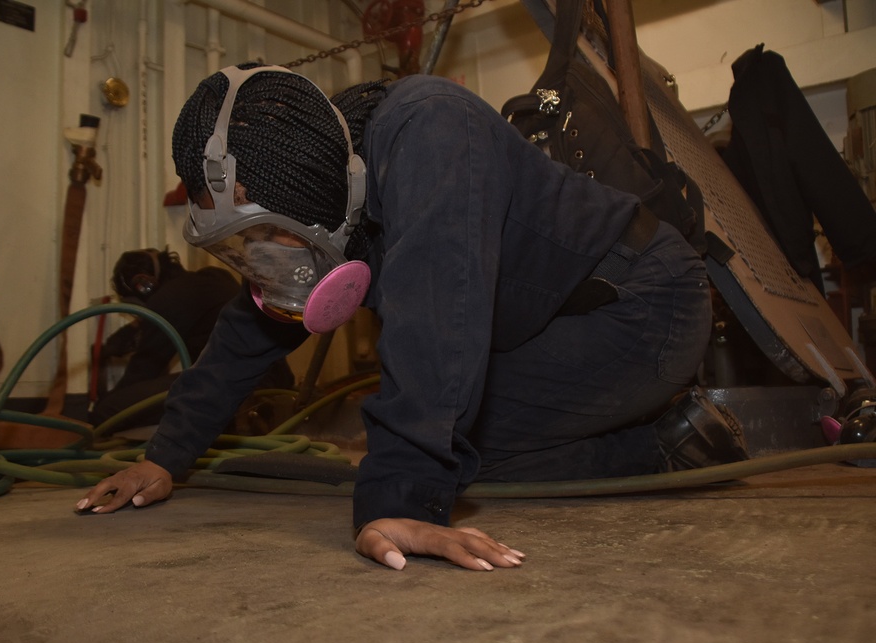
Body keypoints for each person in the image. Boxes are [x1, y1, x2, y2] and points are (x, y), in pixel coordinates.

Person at [76, 64, 749, 571]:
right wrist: (164, 455)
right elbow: (251, 323)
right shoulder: (323, 176)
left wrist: (400, 499)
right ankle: (627, 420)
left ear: (306, 196)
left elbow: (438, 316)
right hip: (543, 320)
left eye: (263, 238)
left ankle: (668, 443)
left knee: (454, 448)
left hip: (640, 304)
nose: (258, 263)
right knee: (440, 432)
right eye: (236, 248)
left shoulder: (433, 132)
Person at [91, 247, 293, 430]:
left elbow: (142, 371)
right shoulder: (214, 277)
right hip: (273, 381)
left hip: (234, 389)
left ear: (144, 285)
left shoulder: (166, 302)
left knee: (108, 411)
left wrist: (99, 409)